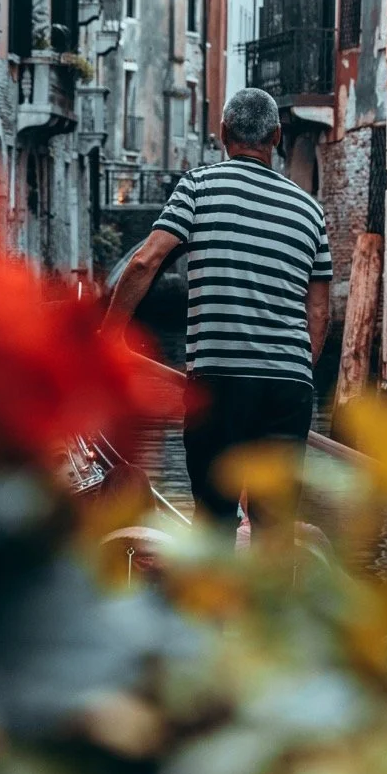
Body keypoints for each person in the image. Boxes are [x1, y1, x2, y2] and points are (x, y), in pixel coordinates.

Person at [102, 88, 332, 537]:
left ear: (223, 133)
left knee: (215, 517)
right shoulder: (311, 210)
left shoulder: (197, 187)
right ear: (278, 136)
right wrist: (295, 374)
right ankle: (269, 605)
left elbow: (145, 262)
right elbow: (319, 314)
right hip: (289, 387)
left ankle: (214, 605)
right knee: (275, 525)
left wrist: (109, 336)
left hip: (220, 382)